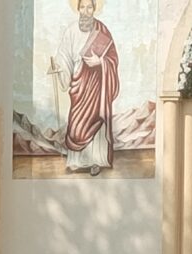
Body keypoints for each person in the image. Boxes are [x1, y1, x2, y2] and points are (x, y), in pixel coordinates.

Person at [48, 0, 119, 176]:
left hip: (97, 83)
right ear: (77, 9)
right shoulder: (71, 31)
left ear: (94, 9)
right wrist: (59, 68)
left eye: (89, 7)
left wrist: (100, 62)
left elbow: (112, 58)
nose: (86, 11)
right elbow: (64, 55)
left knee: (96, 118)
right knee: (77, 120)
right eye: (82, 7)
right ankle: (76, 161)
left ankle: (97, 160)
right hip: (79, 83)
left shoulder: (102, 31)